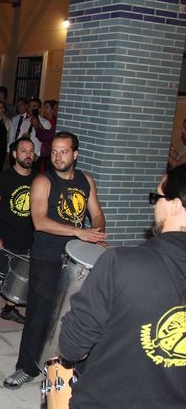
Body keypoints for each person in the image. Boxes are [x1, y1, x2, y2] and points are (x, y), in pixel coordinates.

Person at [58, 166, 186, 408]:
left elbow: (73, 347)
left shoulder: (120, 263)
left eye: (156, 197)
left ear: (175, 205)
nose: (153, 206)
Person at [3, 131, 107, 389]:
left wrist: (96, 233)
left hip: (76, 258)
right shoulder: (43, 181)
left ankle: (74, 366)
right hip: (48, 257)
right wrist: (77, 231)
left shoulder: (86, 181)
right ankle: (26, 367)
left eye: (64, 151)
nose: (58, 157)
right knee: (39, 314)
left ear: (75, 154)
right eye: (55, 152)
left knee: (77, 313)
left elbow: (96, 213)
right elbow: (39, 221)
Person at [0, 137, 36, 333]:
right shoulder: (4, 178)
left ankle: (9, 309)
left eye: (31, 151)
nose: (29, 154)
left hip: (26, 240)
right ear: (15, 154)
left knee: (19, 278)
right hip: (2, 239)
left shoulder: (38, 179)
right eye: (24, 151)